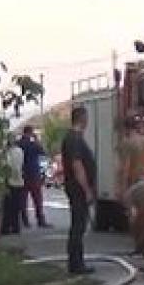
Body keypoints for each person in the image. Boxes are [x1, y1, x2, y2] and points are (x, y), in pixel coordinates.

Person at [61, 106, 97, 275]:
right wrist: (87, 189)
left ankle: (76, 262)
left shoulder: (74, 138)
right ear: (82, 118)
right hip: (77, 189)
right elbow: (77, 166)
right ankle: (76, 264)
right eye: (86, 118)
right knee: (78, 225)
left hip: (75, 187)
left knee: (79, 225)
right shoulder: (74, 139)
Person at [18, 126, 51, 228]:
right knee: (37, 198)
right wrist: (36, 139)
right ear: (31, 133)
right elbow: (43, 152)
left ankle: (25, 221)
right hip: (33, 174)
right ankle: (40, 220)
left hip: (22, 174)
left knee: (23, 199)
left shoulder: (18, 144)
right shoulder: (34, 145)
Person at [2, 135, 27, 235]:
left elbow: (11, 166)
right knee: (16, 206)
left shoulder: (10, 152)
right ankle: (15, 226)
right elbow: (19, 165)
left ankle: (7, 227)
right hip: (18, 181)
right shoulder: (19, 151)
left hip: (11, 180)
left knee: (8, 206)